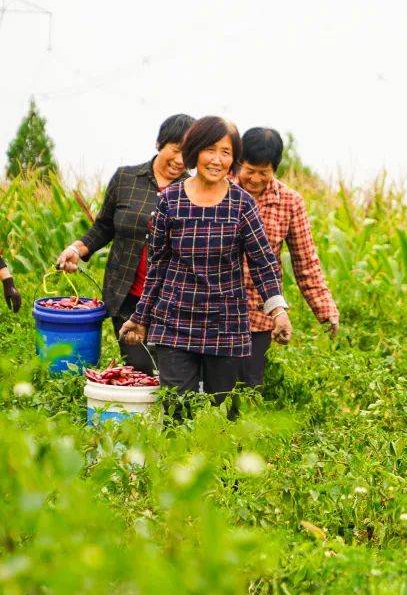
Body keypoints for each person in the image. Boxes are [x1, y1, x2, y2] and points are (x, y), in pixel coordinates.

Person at [118, 116, 292, 406]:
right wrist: (140, 317)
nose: (217, 160)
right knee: (177, 408)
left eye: (226, 152)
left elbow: (263, 263)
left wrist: (277, 310)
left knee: (218, 408)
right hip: (174, 321)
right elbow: (157, 266)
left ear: (234, 159)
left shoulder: (241, 204)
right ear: (195, 151)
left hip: (225, 324)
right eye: (210, 149)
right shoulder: (170, 201)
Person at [56, 114, 195, 374]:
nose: (180, 161)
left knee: (171, 375)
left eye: (188, 154)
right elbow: (104, 226)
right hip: (128, 295)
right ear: (159, 144)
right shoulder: (126, 179)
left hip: (173, 300)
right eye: (175, 151)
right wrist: (76, 249)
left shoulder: (193, 190)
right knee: (139, 368)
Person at [233, 127, 339, 387]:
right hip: (214, 308)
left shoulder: (290, 202)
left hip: (259, 311)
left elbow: (306, 261)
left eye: (264, 172)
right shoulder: (218, 192)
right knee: (210, 388)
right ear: (238, 162)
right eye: (250, 170)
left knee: (247, 388)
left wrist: (325, 310)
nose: (255, 178)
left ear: (275, 169)